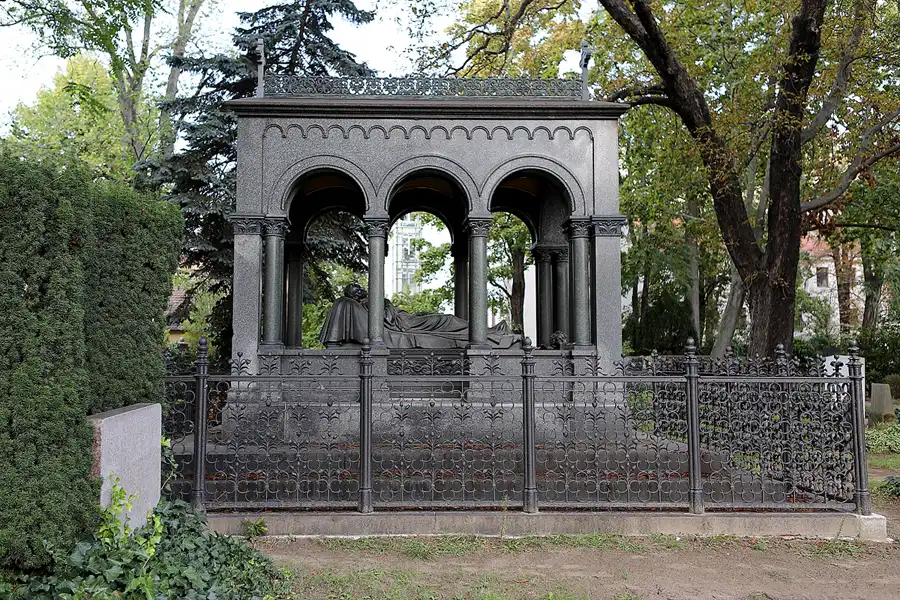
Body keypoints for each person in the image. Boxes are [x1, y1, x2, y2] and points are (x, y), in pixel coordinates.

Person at [319, 283, 520, 349]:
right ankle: (492, 334)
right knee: (448, 320)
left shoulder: (368, 303)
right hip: (408, 325)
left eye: (358, 285)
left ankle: (491, 332)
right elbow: (387, 319)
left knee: (447, 320)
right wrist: (384, 304)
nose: (360, 287)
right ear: (352, 295)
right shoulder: (362, 305)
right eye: (355, 288)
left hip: (409, 320)